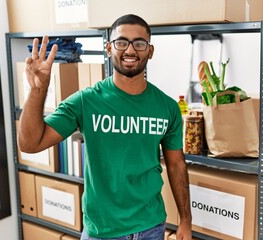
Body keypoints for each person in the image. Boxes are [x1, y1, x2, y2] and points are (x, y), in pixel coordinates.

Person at [18, 14, 192, 240]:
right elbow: (30, 144)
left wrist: (186, 221)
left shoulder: (167, 107)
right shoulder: (85, 101)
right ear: (109, 48)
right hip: (103, 232)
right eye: (121, 42)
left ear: (150, 51)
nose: (130, 50)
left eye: (139, 43)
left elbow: (177, 164)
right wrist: (37, 90)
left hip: (151, 227)